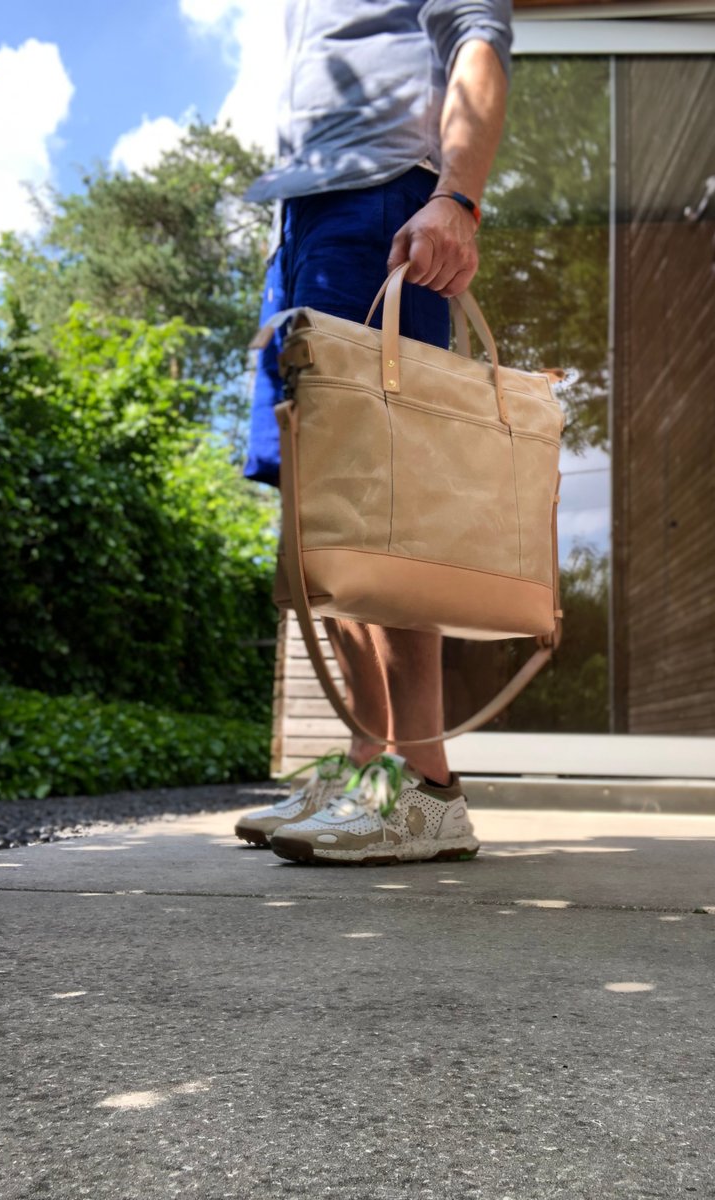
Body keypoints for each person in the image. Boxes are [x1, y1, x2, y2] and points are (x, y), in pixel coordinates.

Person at [234, 0, 513, 865]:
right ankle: (369, 766)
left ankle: (423, 784)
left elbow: (478, 35)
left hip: (382, 194)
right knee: (325, 501)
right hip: (309, 212)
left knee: (380, 492)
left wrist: (455, 195)